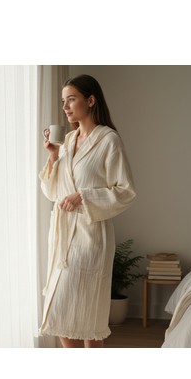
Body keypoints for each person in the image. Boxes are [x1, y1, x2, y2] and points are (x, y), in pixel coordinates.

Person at [39, 74, 136, 348]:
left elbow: (125, 191)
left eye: (71, 99)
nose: (65, 107)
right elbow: (52, 192)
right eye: (63, 101)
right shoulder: (68, 141)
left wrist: (83, 197)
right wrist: (53, 155)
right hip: (63, 237)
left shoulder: (108, 141)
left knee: (88, 316)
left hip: (90, 236)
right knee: (60, 310)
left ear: (90, 100)